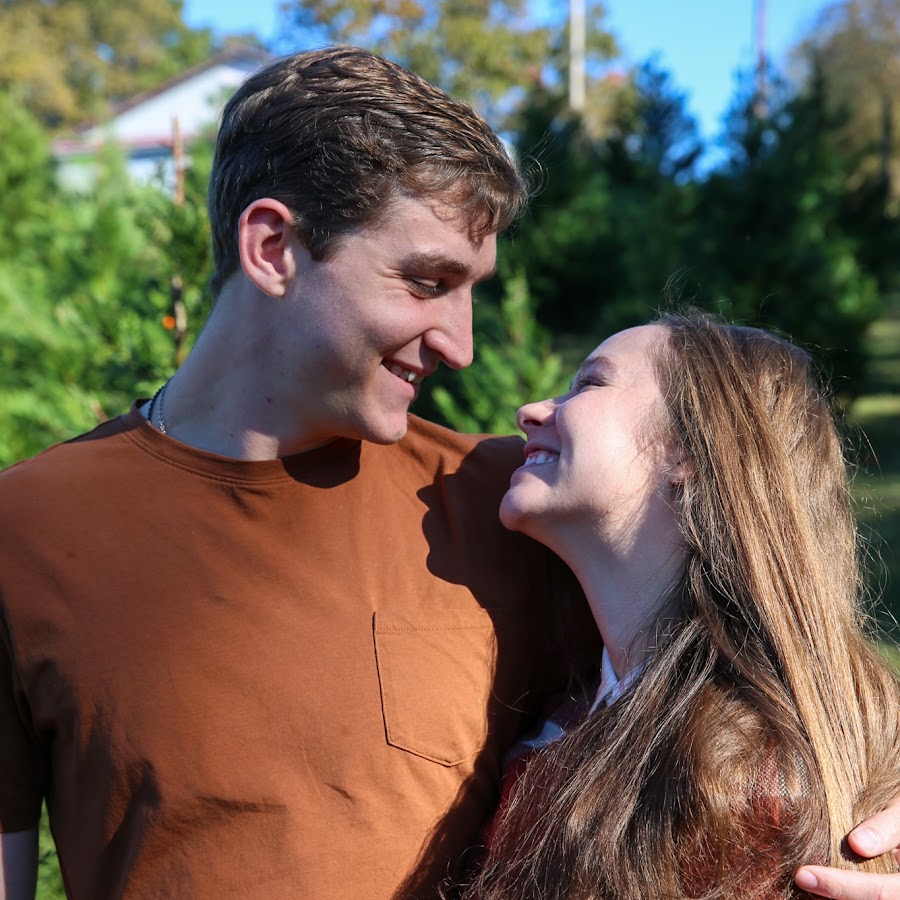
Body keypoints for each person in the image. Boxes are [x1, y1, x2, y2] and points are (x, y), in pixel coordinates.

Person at [0, 45, 897, 900]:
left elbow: (779, 656)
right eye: (428, 282)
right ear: (273, 248)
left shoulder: (508, 503)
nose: (462, 347)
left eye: (475, 289)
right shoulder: (26, 531)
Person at [460, 313, 900, 900]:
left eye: (589, 383)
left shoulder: (754, 780)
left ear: (691, 449)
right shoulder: (569, 707)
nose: (531, 411)